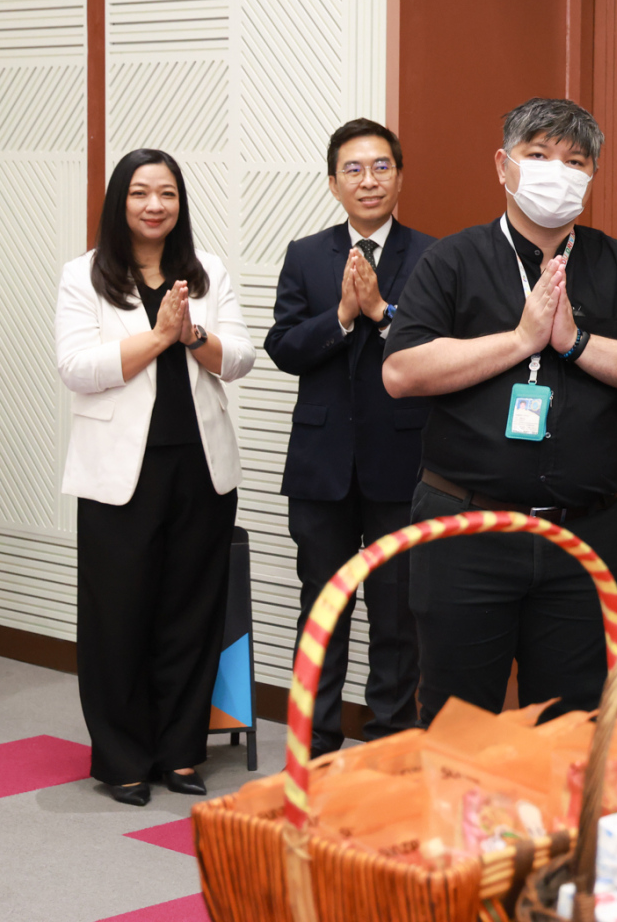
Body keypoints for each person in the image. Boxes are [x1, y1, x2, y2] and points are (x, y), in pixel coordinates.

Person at [383, 97, 617, 724]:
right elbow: (401, 371)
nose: (558, 171)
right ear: (504, 166)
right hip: (466, 530)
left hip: (585, 535)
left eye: (575, 161)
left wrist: (576, 343)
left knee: (574, 728)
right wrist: (521, 341)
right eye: (539, 154)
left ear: (592, 176)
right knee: (456, 724)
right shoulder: (452, 260)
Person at [55, 149, 255, 805]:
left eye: (167, 193)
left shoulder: (207, 271)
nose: (154, 205)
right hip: (120, 472)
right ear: (120, 201)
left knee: (191, 613)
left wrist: (193, 337)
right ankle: (121, 757)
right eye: (140, 192)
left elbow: (241, 358)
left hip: (201, 467)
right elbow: (76, 367)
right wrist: (159, 337)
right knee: (118, 617)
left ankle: (180, 751)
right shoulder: (85, 275)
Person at [266, 119, 432, 757]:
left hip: (404, 463)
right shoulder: (305, 255)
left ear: (400, 176)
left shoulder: (434, 255)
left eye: (381, 166)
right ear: (334, 183)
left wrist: (383, 314)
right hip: (322, 465)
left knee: (398, 615)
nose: (369, 180)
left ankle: (391, 745)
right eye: (354, 170)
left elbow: (441, 349)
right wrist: (340, 316)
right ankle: (315, 745)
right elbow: (283, 347)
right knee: (322, 610)